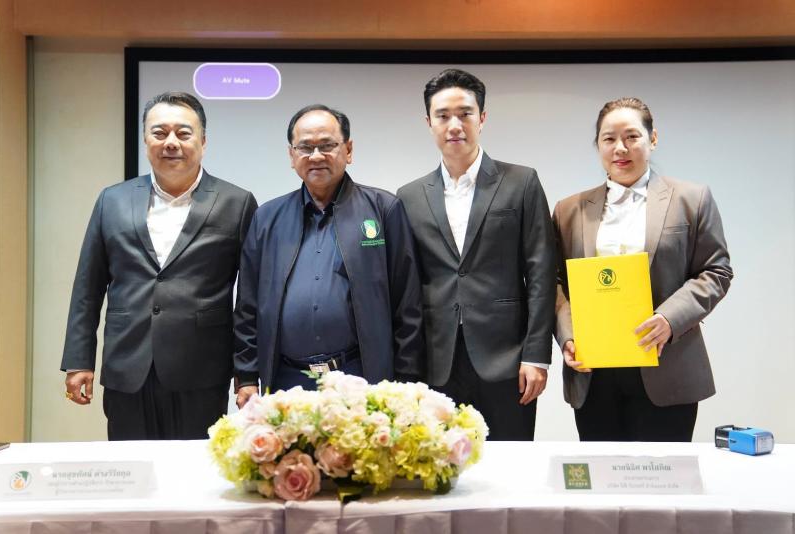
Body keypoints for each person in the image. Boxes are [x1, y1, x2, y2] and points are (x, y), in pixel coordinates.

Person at [61, 91, 257, 440]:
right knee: (129, 465)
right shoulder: (112, 200)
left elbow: (250, 299)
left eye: (183, 133)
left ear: (203, 141)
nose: (171, 143)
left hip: (201, 369)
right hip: (127, 365)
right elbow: (87, 287)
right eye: (159, 133)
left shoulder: (237, 202)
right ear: (145, 140)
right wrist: (79, 360)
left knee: (196, 469)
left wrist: (247, 374)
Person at [553, 97, 733, 441]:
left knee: (662, 472)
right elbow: (555, 282)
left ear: (653, 138)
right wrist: (568, 335)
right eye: (609, 139)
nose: (620, 148)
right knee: (601, 473)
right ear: (598, 145)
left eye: (632, 136)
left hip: (668, 364)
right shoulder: (568, 210)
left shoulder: (691, 199)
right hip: (595, 372)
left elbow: (716, 271)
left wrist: (669, 319)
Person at [397, 69, 556, 440]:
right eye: (443, 115)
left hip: (507, 359)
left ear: (481, 118)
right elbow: (407, 286)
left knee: (510, 463)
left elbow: (541, 272)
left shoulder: (521, 182)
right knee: (440, 465)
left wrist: (536, 355)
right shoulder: (409, 196)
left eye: (465, 114)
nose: (454, 125)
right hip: (436, 361)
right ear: (429, 123)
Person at [233, 104, 422, 407]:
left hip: (361, 378)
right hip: (286, 382)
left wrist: (406, 383)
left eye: (327, 145)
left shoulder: (384, 210)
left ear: (348, 150)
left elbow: (407, 304)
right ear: (291, 155)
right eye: (305, 147)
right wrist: (246, 376)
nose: (316, 156)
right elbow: (248, 305)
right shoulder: (266, 218)